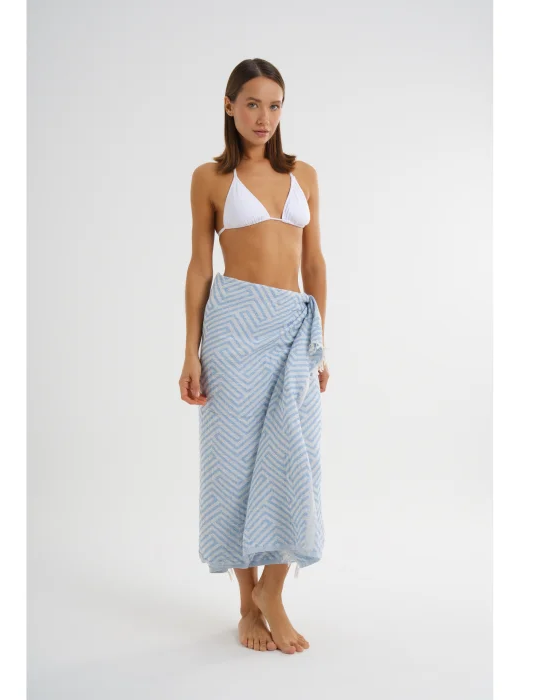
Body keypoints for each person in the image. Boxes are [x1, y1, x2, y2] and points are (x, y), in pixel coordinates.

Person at [179, 58, 330, 655]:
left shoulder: (304, 174)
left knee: (297, 459)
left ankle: (273, 590)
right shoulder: (210, 178)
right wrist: (190, 352)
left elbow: (314, 263)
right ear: (229, 106)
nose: (264, 117)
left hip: (293, 328)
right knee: (234, 465)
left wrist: (321, 342)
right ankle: (247, 604)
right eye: (252, 104)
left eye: (274, 105)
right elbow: (199, 266)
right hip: (233, 329)